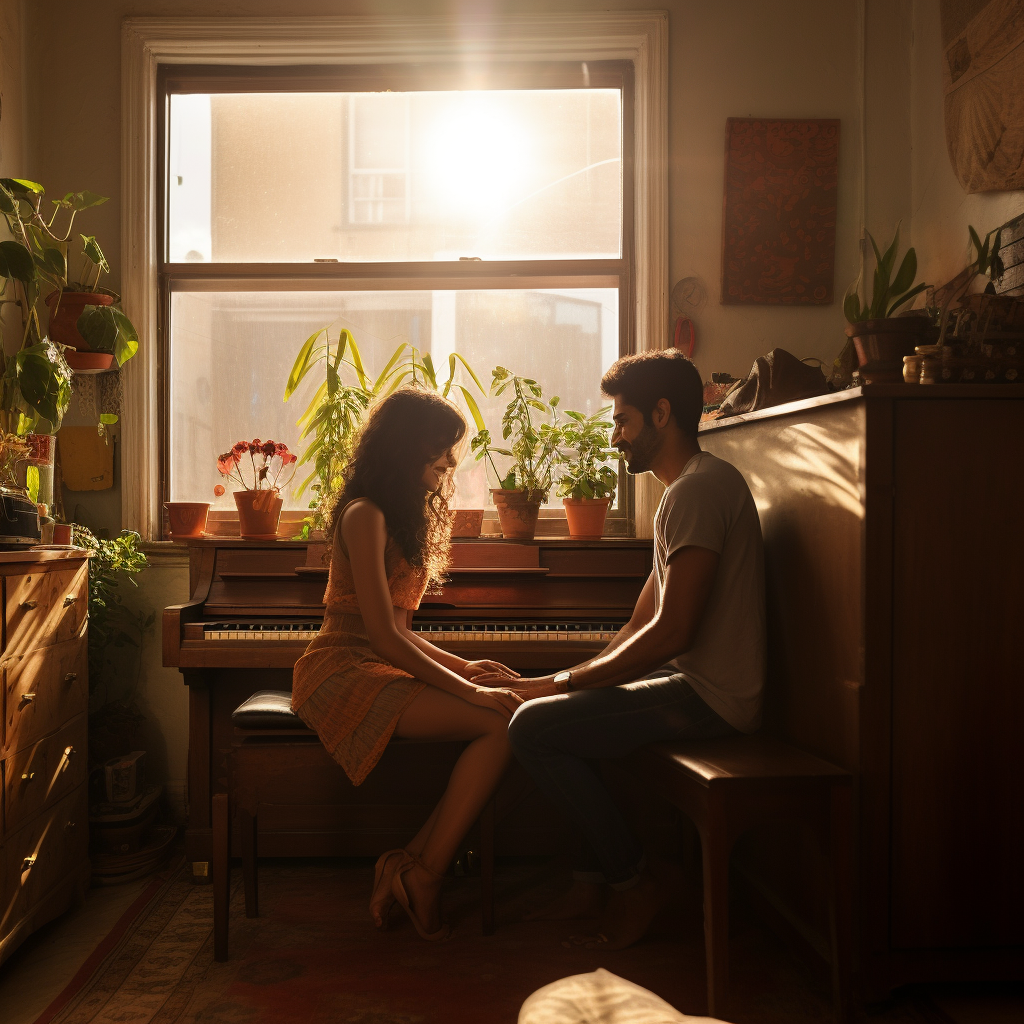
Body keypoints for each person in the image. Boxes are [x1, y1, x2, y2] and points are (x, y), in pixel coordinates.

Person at [505, 349, 766, 949]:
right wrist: (573, 677)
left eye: (623, 420)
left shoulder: (698, 491)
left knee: (533, 730)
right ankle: (587, 881)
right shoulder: (685, 491)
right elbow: (642, 619)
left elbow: (674, 634)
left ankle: (633, 882)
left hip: (713, 697)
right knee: (561, 716)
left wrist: (564, 687)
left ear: (662, 414)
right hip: (688, 685)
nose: (616, 436)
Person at [291, 388, 522, 941]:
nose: (448, 461)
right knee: (498, 721)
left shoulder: (406, 517)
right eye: (438, 447)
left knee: (505, 712)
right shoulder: (365, 514)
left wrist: (467, 669)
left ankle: (412, 866)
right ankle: (425, 874)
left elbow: (398, 633)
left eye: (451, 450)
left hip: (376, 661)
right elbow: (378, 637)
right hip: (339, 667)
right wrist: (471, 693)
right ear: (403, 446)